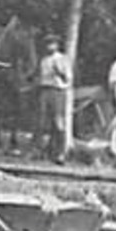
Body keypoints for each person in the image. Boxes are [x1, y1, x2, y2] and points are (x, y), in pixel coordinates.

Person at [35, 35, 71, 164]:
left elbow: (67, 78)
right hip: (45, 90)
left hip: (57, 91)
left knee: (58, 121)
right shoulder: (44, 60)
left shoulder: (62, 59)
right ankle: (45, 151)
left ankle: (60, 153)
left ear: (57, 45)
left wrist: (59, 71)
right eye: (48, 44)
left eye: (52, 43)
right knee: (44, 121)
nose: (50, 46)